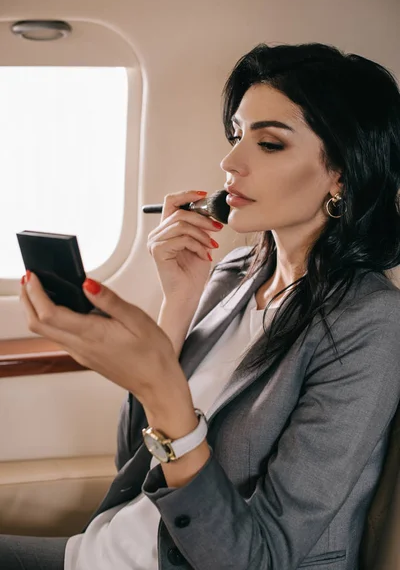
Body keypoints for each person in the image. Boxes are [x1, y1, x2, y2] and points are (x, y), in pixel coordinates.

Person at [2, 42, 400, 570]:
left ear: (342, 175)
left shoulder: (369, 323)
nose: (230, 161)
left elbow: (258, 559)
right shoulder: (235, 274)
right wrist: (178, 300)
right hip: (104, 551)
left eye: (270, 144)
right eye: (237, 135)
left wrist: (166, 392)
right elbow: (138, 464)